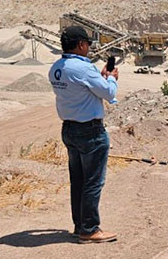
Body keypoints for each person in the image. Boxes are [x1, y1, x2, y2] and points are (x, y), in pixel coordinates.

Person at [48, 26, 119, 244]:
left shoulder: (56, 68)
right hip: (90, 131)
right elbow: (109, 93)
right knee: (93, 181)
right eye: (87, 43)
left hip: (69, 129)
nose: (88, 47)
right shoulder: (83, 68)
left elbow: (81, 90)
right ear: (80, 44)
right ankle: (89, 229)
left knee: (78, 180)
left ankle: (80, 225)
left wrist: (99, 79)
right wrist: (111, 78)